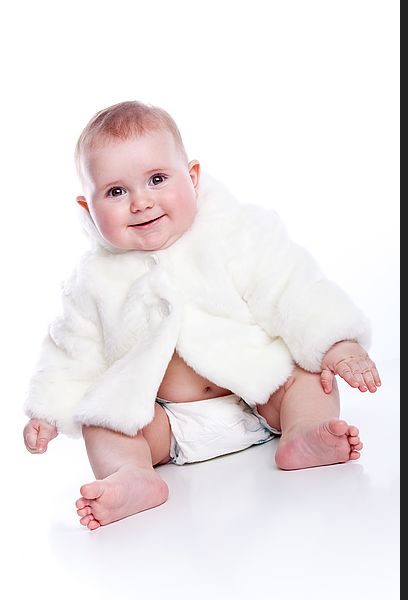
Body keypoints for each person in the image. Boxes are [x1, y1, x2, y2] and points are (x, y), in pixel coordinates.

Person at [23, 101, 381, 531]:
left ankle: (304, 434)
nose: (140, 202)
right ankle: (133, 476)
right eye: (116, 192)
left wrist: (336, 341)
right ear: (87, 206)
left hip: (257, 398)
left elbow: (291, 287)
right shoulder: (91, 281)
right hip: (167, 424)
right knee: (102, 421)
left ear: (191, 177)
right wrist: (48, 409)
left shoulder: (236, 232)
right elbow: (71, 350)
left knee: (307, 374)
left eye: (157, 179)